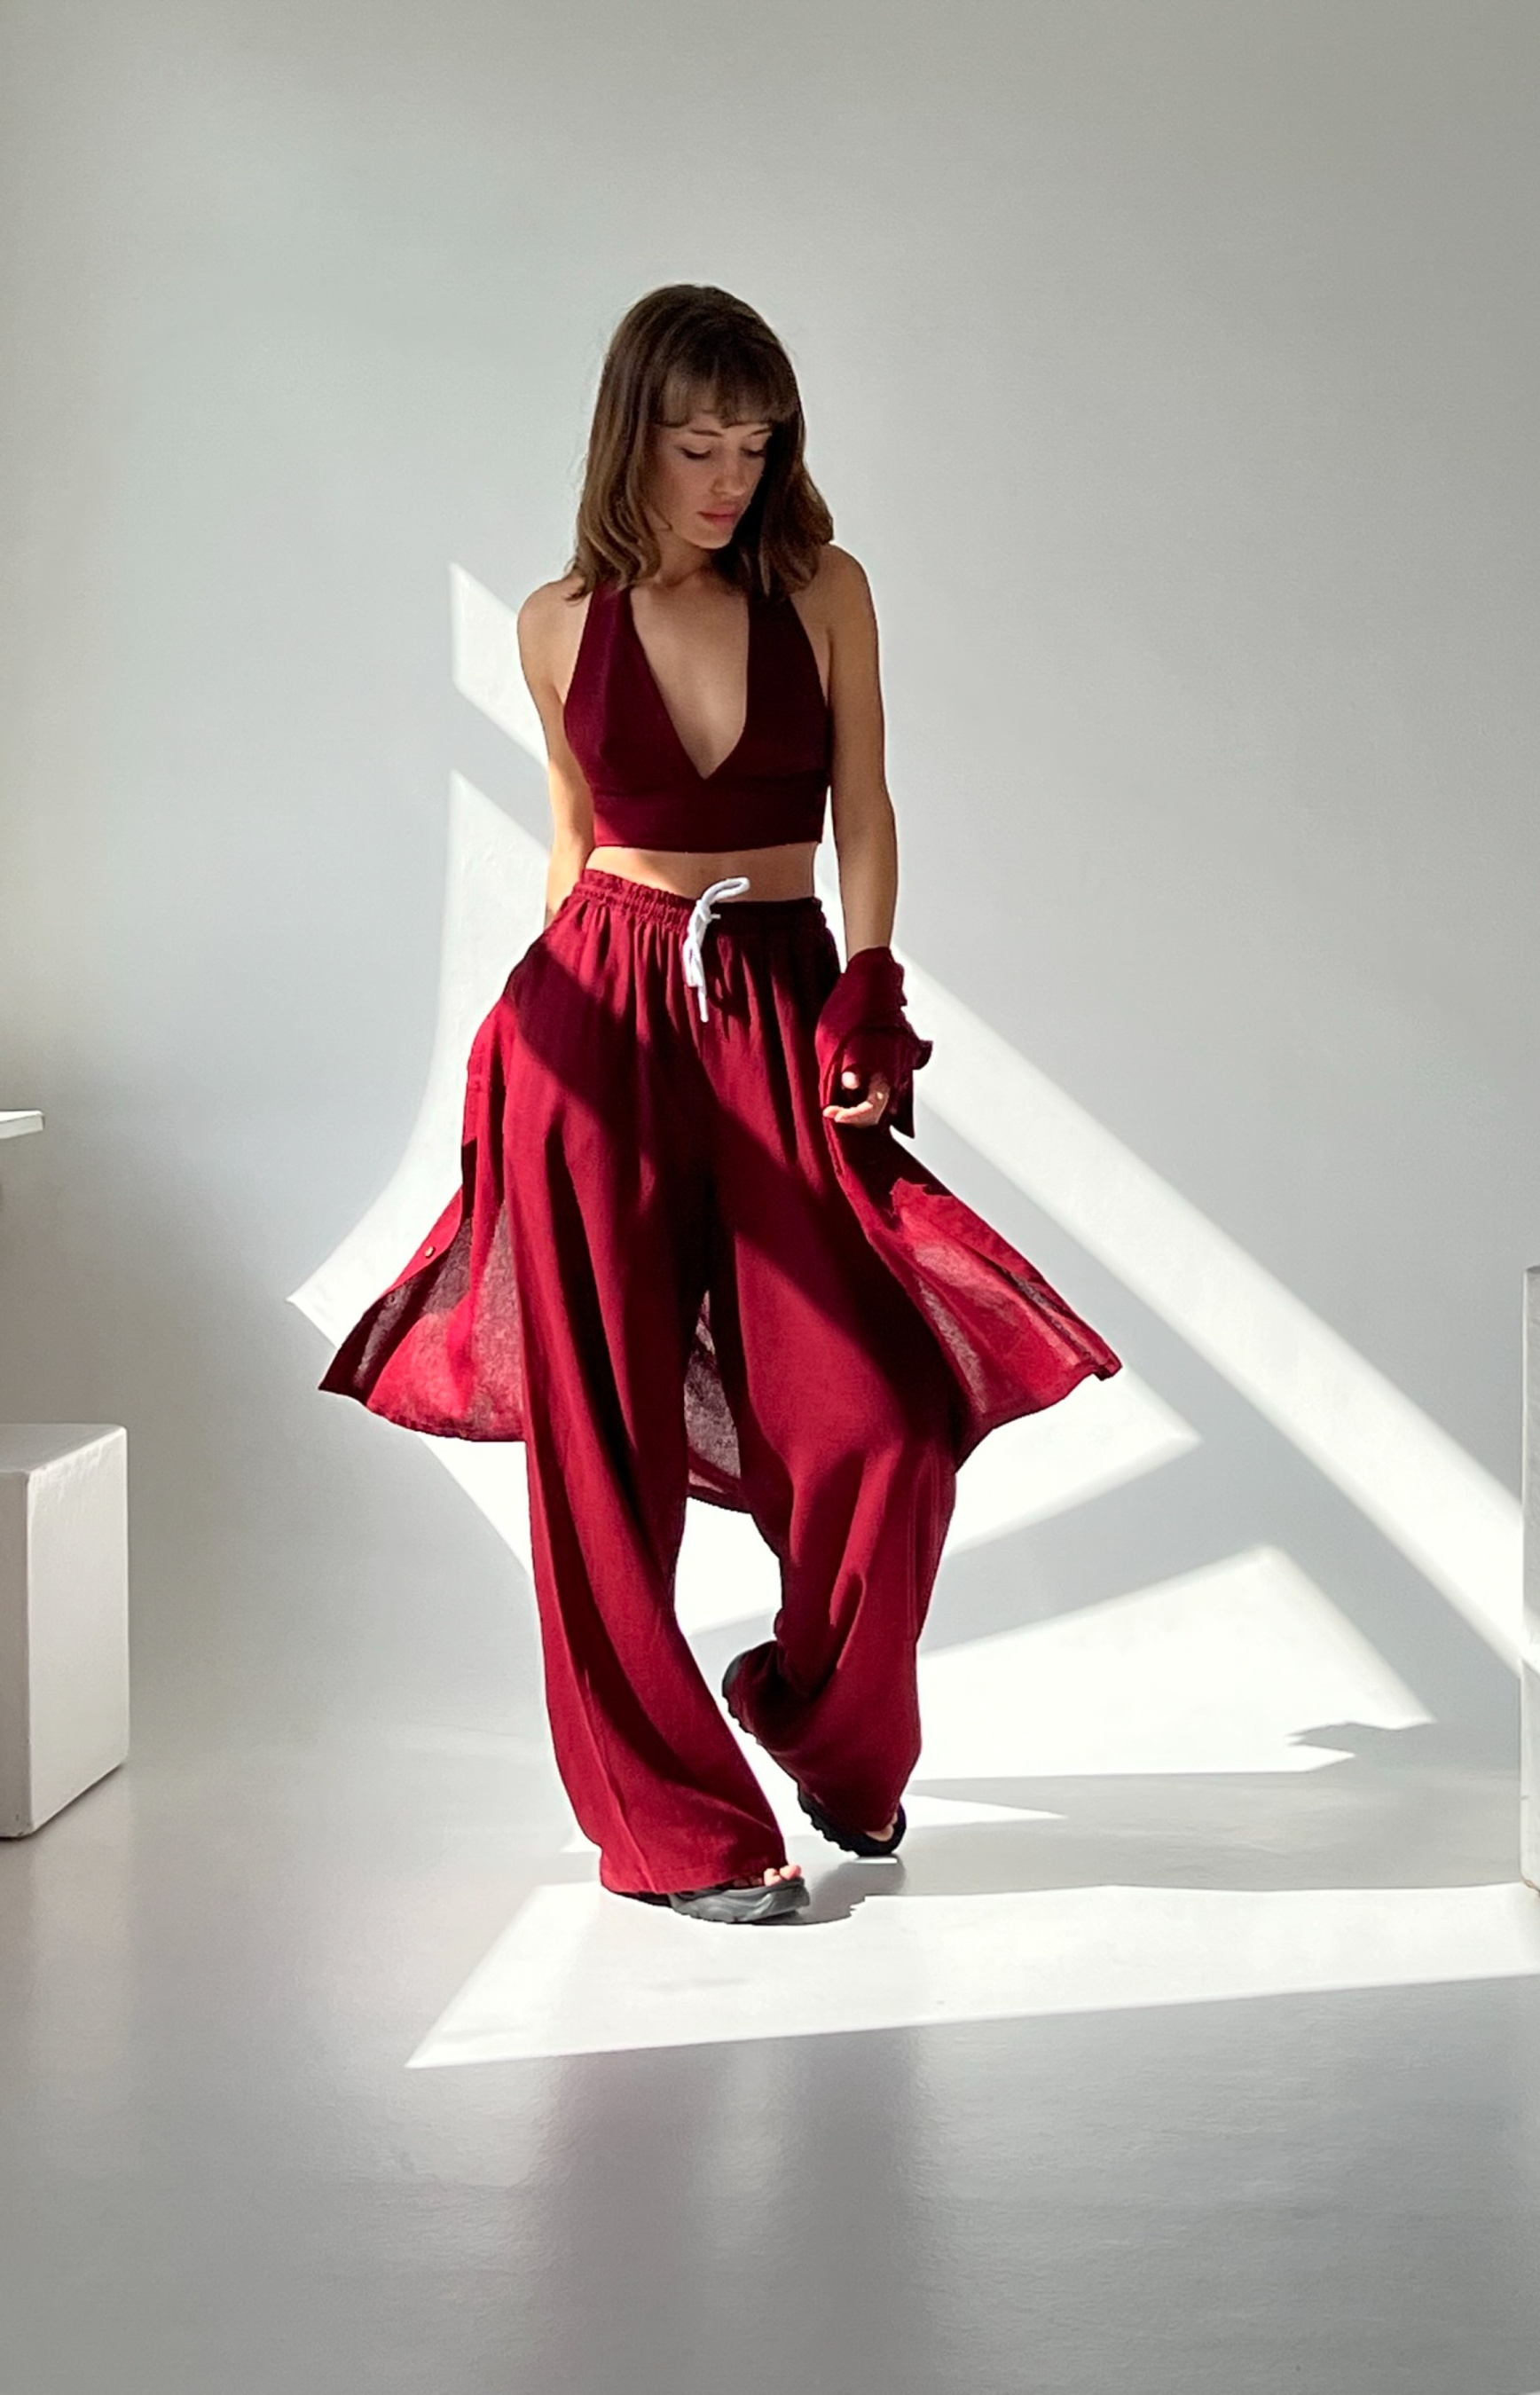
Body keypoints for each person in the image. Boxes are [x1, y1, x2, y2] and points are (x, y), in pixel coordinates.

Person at [321, 284, 1121, 1923]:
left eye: (755, 447)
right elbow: (571, 840)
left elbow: (862, 803)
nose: (728, 480)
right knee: (599, 1451)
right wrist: (516, 1061)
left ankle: (828, 1729)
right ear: (632, 438)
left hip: (778, 995)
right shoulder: (556, 621)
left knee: (879, 1419)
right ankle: (669, 1832)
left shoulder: (823, 589)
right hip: (589, 1022)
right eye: (697, 446)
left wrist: (870, 979)